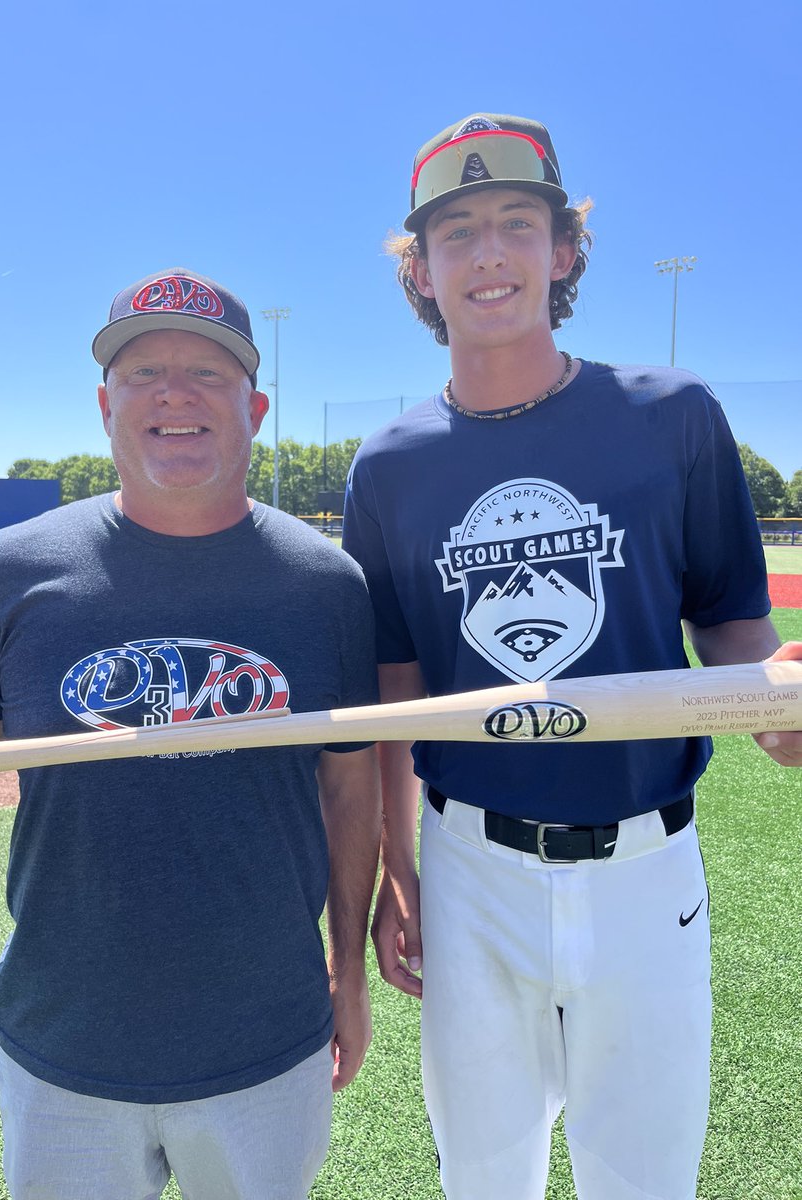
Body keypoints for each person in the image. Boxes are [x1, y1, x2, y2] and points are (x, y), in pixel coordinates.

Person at [341, 114, 802, 1199]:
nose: (489, 254)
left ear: (566, 250)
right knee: (483, 1177)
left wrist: (773, 691)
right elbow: (396, 694)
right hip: (469, 874)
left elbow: (731, 617)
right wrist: (398, 869)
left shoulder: (671, 415)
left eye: (516, 223)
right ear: (420, 270)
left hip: (649, 867)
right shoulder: (389, 466)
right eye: (455, 233)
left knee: (645, 1181)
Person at [0, 268, 381, 1200]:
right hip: (63, 1038)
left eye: (208, 372)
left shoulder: (328, 585)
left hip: (267, 1038)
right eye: (143, 371)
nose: (174, 393)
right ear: (104, 404)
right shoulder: (13, 570)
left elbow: (350, 788)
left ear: (256, 405)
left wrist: (348, 973)